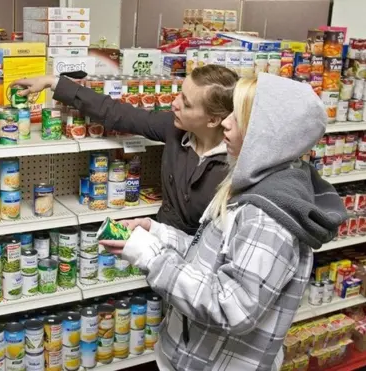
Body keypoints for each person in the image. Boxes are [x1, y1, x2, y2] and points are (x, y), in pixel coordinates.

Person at [101, 74, 348, 371]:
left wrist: (149, 255)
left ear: (269, 134)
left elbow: (231, 308)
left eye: (239, 117)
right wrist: (158, 234)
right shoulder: (256, 183)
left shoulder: (266, 218)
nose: (226, 123)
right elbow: (214, 258)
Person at [12, 65, 238, 235]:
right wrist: (55, 82)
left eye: (186, 104)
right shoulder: (174, 128)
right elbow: (116, 112)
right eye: (179, 94)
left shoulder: (237, 164)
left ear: (213, 120)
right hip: (161, 247)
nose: (174, 103)